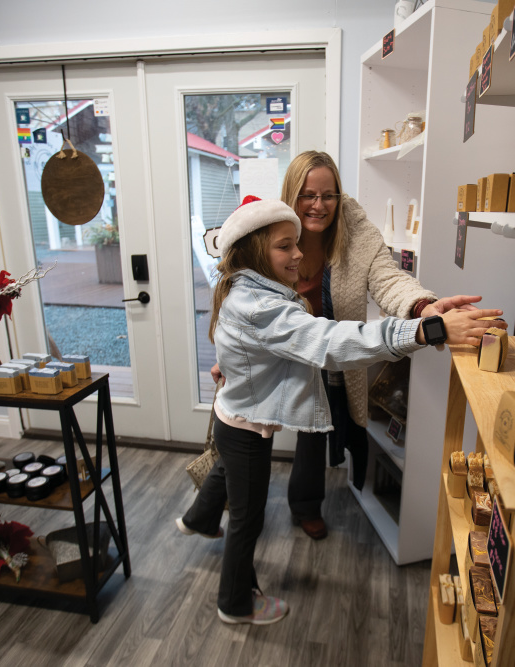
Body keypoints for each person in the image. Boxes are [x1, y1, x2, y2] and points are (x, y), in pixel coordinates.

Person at [178, 196, 498, 625]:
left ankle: (198, 518)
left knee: (227, 474)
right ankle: (235, 601)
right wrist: (425, 330)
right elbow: (328, 342)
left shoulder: (246, 285)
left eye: (297, 244)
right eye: (285, 247)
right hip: (245, 428)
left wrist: (236, 361)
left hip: (232, 412)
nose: (297, 254)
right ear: (256, 251)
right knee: (247, 517)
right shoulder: (262, 306)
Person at [212, 150, 507, 540]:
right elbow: (239, 295)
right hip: (290, 342)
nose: (319, 205)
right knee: (246, 434)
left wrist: (424, 308)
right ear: (291, 196)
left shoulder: (355, 229)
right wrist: (238, 356)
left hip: (332, 343)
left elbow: (387, 278)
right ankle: (218, 509)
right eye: (308, 195)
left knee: (315, 429)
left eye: (329, 195)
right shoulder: (271, 229)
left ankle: (300, 505)